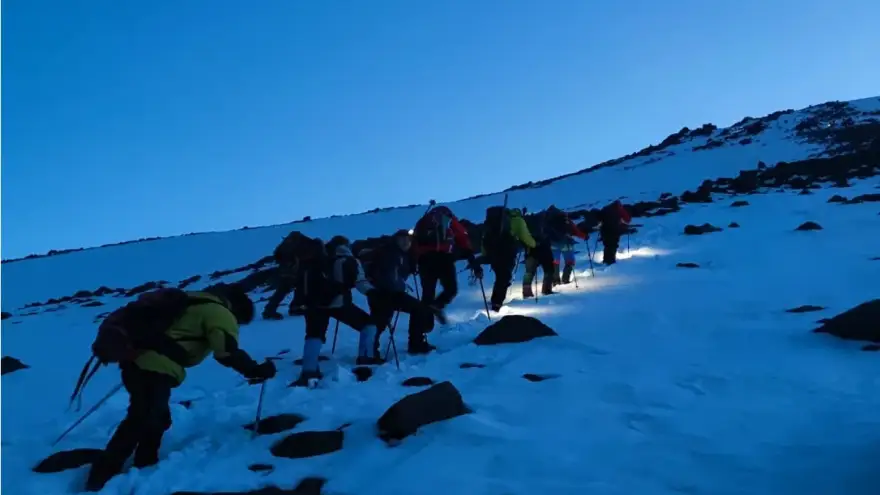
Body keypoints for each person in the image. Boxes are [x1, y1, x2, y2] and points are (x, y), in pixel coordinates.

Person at [85, 284, 275, 492]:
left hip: (137, 362)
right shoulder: (219, 312)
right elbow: (226, 351)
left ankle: (144, 464)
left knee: (155, 416)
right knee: (143, 417)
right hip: (155, 366)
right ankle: (102, 475)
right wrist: (255, 370)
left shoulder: (189, 301)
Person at [291, 236, 382, 387]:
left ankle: (309, 370)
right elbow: (360, 283)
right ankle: (366, 357)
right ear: (346, 245)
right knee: (368, 324)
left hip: (313, 304)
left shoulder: (314, 260)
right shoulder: (348, 259)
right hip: (339, 303)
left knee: (314, 334)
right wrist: (375, 293)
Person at [360, 229, 440, 355]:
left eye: (408, 240)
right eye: (403, 239)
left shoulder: (396, 253)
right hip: (387, 293)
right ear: (396, 240)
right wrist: (401, 287)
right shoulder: (392, 254)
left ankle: (369, 351)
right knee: (414, 310)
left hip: (379, 292)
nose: (406, 242)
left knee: (380, 320)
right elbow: (391, 277)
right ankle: (415, 344)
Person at [411, 205, 480, 320]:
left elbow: (414, 242)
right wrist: (472, 259)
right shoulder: (450, 220)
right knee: (451, 289)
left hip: (425, 260)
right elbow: (463, 239)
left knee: (428, 293)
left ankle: (424, 326)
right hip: (444, 258)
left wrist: (413, 261)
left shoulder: (423, 221)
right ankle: (437, 305)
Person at [480, 207, 538, 311]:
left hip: (493, 252)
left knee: (500, 276)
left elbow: (485, 238)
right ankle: (497, 304)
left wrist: (486, 254)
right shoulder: (518, 221)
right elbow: (526, 237)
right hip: (507, 253)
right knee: (505, 277)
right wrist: (534, 244)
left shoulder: (492, 221)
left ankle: (495, 299)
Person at [263, 231, 310, 320]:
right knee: (298, 288)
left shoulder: (286, 244)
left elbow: (277, 255)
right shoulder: (301, 243)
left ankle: (269, 309)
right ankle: (295, 308)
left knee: (282, 290)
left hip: (285, 270)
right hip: (293, 270)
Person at [541, 206, 588, 285]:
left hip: (552, 244)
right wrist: (584, 236)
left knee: (555, 262)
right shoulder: (564, 218)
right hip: (566, 243)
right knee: (570, 261)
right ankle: (565, 279)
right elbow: (575, 230)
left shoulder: (546, 220)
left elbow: (543, 233)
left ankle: (555, 280)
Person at [599, 200, 632, 265]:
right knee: (613, 245)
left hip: (604, 231)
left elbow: (600, 218)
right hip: (614, 230)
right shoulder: (619, 209)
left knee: (607, 245)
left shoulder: (605, 208)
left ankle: (606, 260)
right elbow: (628, 219)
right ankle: (611, 261)